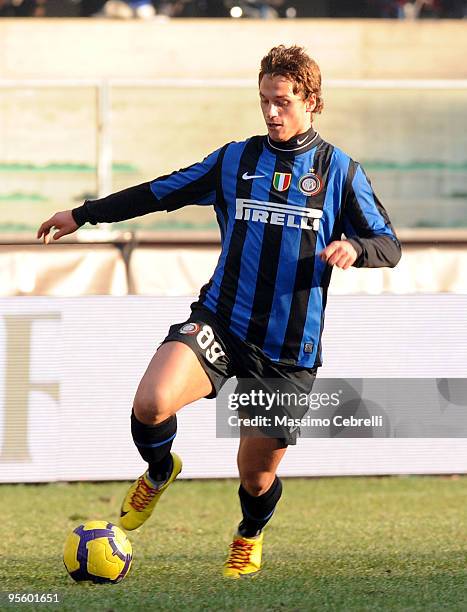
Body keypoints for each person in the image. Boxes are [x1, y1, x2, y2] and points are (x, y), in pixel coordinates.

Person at [37, 45, 401, 578]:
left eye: (282, 102)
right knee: (151, 403)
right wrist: (83, 214)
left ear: (312, 101)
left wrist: (357, 249)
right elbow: (160, 192)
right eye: (264, 101)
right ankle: (159, 471)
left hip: (286, 351)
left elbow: (388, 244)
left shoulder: (340, 172)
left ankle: (248, 534)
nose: (271, 113)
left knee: (255, 479)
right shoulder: (235, 160)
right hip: (220, 322)